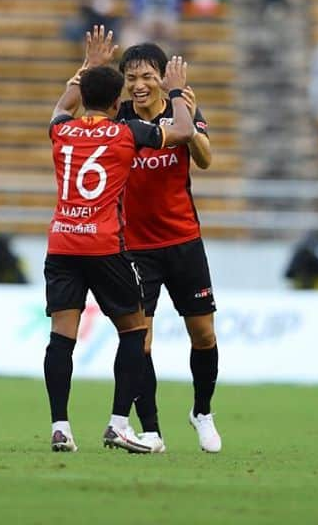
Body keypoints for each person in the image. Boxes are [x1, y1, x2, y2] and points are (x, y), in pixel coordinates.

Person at [42, 26, 195, 454]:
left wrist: (87, 67)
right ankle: (115, 423)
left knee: (61, 338)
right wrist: (177, 91)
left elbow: (61, 105)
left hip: (62, 245)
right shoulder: (125, 132)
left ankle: (60, 427)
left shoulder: (60, 131)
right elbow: (182, 132)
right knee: (134, 330)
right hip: (106, 246)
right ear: (117, 104)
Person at [115, 42, 220, 454]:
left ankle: (202, 412)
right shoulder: (118, 116)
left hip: (184, 241)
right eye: (131, 78)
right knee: (140, 340)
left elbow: (207, 160)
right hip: (136, 247)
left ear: (163, 77)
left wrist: (183, 109)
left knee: (204, 335)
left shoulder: (184, 108)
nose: (139, 85)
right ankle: (152, 429)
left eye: (147, 77)